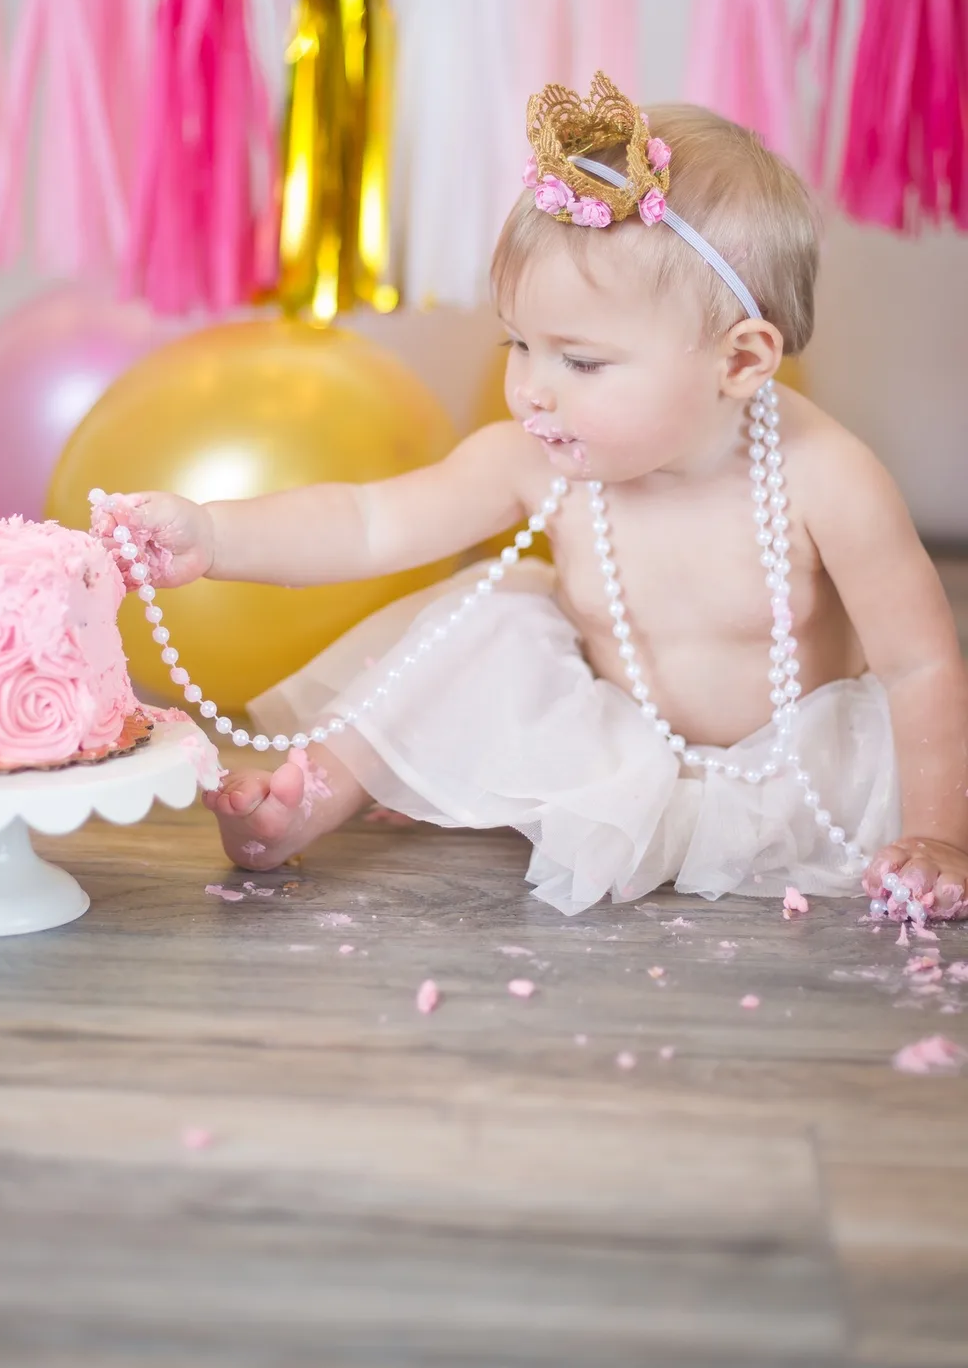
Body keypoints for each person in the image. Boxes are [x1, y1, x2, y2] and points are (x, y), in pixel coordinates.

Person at [96, 74, 968, 923]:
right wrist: (214, 533)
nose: (531, 391)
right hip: (614, 742)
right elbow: (371, 523)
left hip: (796, 769)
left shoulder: (826, 478)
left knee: (924, 734)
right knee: (487, 617)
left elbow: (919, 665)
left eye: (581, 361)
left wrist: (936, 833)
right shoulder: (538, 457)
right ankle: (309, 795)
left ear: (739, 362)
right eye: (519, 343)